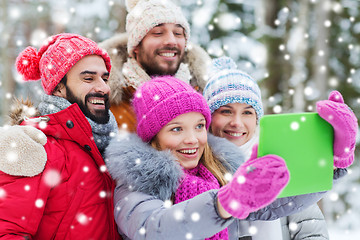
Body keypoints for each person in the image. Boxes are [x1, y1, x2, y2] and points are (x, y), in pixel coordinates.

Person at [105, 75, 333, 240]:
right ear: (154, 135)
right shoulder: (135, 183)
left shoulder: (217, 171)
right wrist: (223, 203)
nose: (193, 139)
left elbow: (275, 203)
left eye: (199, 126)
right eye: (177, 129)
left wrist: (332, 163)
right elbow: (154, 228)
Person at [202, 56, 358, 240]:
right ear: (209, 117)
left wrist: (334, 159)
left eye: (247, 112)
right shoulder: (195, 168)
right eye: (226, 111)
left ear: (257, 119)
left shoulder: (279, 161)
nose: (237, 123)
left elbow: (310, 230)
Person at [0, 33, 121, 239]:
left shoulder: (110, 145)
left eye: (105, 78)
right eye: (88, 78)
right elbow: (7, 231)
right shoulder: (34, 145)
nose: (103, 87)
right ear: (58, 88)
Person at [99, 0, 211, 131]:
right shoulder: (107, 105)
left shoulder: (205, 99)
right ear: (136, 46)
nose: (171, 41)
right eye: (158, 33)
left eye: (178, 33)